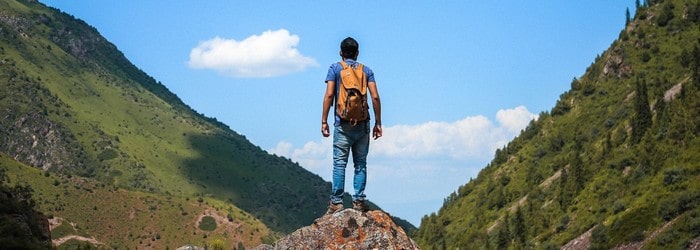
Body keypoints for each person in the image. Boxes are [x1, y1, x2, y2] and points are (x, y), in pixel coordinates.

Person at [321, 37, 382, 214]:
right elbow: (375, 97)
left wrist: (324, 121)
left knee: (339, 163)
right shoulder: (367, 71)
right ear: (357, 53)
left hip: (342, 123)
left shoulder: (335, 68)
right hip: (363, 123)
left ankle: (336, 203)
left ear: (341, 52)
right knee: (360, 163)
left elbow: (329, 95)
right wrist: (378, 122)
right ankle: (359, 201)